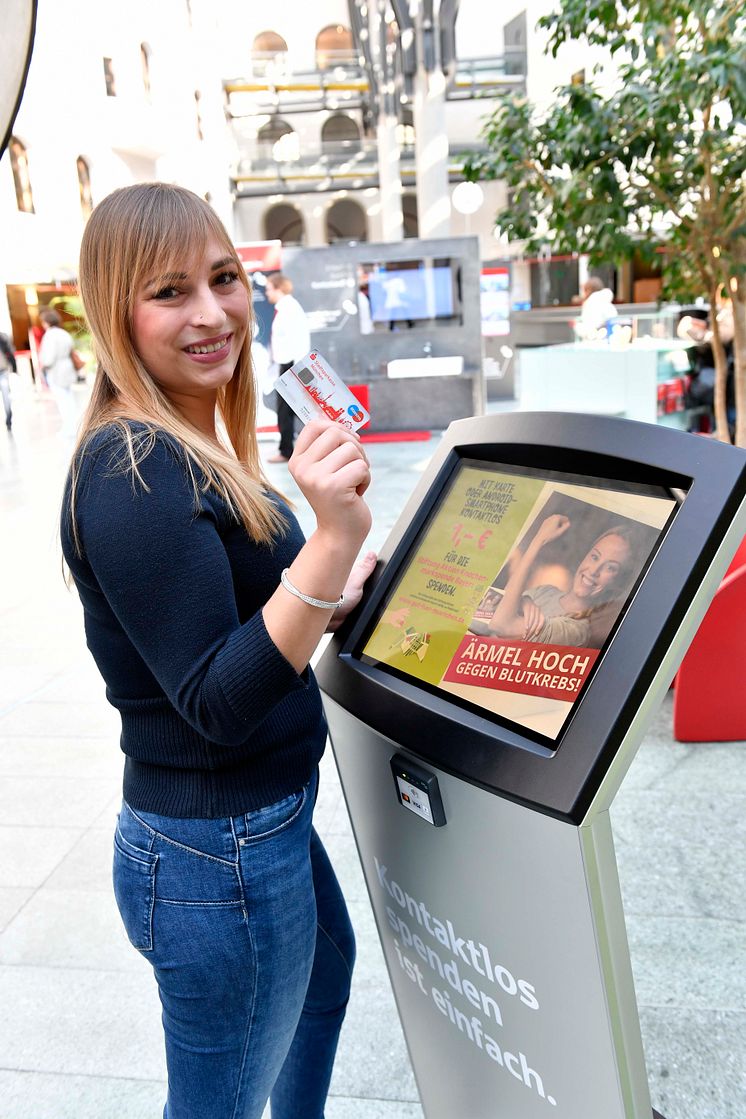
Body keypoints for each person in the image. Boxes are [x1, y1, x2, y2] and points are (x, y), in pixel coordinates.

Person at [60, 182, 377, 1119]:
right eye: (169, 291)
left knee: (323, 984)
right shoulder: (133, 469)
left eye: (225, 278)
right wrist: (332, 540)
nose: (211, 313)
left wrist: (333, 588)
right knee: (218, 1102)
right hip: (215, 851)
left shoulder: (192, 438)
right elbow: (213, 698)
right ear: (116, 310)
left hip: (258, 824)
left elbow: (239, 619)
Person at [479, 514, 639, 648]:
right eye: (595, 557)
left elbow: (500, 624)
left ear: (617, 583)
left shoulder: (578, 630)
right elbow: (494, 604)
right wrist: (524, 601)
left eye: (610, 568)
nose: (593, 571)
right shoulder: (545, 591)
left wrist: (539, 540)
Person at [265, 271, 310, 463]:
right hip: (289, 364)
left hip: (293, 365)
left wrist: (298, 370)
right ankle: (288, 449)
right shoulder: (285, 308)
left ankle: (286, 451)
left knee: (288, 409)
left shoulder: (290, 308)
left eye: (268, 289)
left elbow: (298, 339)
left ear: (278, 288)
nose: (266, 293)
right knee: (290, 409)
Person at [39, 308, 78, 438]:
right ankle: (74, 425)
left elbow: (49, 358)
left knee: (62, 400)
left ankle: (69, 428)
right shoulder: (63, 333)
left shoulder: (50, 335)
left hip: (56, 370)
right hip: (67, 367)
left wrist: (43, 366)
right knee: (69, 398)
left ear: (47, 321)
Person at [0, 330, 17, 430]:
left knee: (6, 397)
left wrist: (14, 368)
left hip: (3, 371)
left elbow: (10, 353)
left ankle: (9, 418)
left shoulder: (2, 337)